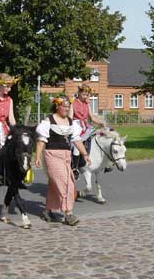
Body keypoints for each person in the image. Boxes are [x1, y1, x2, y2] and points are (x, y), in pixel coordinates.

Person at [35, 96, 90, 226]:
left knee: (56, 185)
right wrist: (37, 157)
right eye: (64, 106)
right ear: (57, 106)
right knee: (66, 185)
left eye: (68, 106)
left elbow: (77, 140)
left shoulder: (71, 122)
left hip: (66, 157)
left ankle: (47, 210)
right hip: (52, 155)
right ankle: (68, 213)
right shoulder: (48, 121)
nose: (67, 108)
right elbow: (41, 141)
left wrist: (85, 154)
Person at [69, 84, 108, 178]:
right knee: (76, 145)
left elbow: (93, 118)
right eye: (83, 94)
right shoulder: (73, 103)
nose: (85, 96)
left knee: (103, 135)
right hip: (76, 125)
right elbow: (70, 117)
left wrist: (101, 122)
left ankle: (107, 163)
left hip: (86, 126)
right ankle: (75, 168)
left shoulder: (87, 104)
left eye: (87, 94)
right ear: (79, 93)